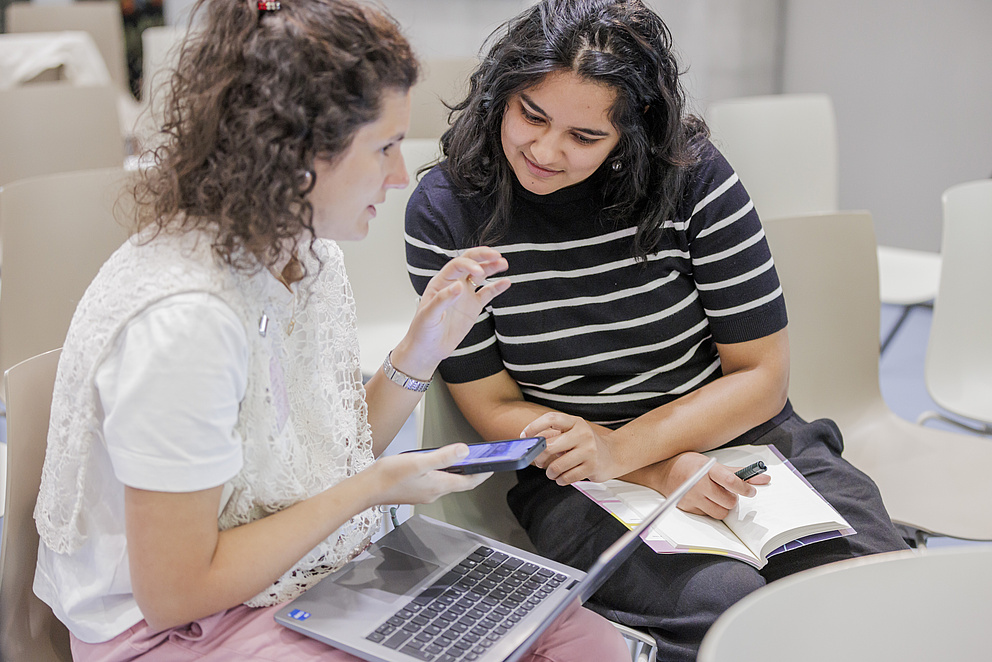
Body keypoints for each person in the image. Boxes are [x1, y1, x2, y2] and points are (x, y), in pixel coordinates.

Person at [32, 1, 630, 660]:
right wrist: (371, 489)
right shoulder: (185, 324)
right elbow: (175, 592)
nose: (401, 174)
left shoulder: (307, 251)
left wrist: (419, 351)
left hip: (291, 576)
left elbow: (320, 461)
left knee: (584, 639)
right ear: (293, 157)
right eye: (384, 147)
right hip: (175, 629)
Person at [404, 0, 910, 659]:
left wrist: (637, 450)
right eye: (531, 114)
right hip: (577, 473)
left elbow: (760, 374)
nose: (545, 149)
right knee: (728, 611)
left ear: (632, 133)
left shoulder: (691, 179)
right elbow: (488, 403)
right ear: (504, 90)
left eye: (585, 137)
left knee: (872, 592)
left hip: (738, 435)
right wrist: (641, 467)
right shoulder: (448, 211)